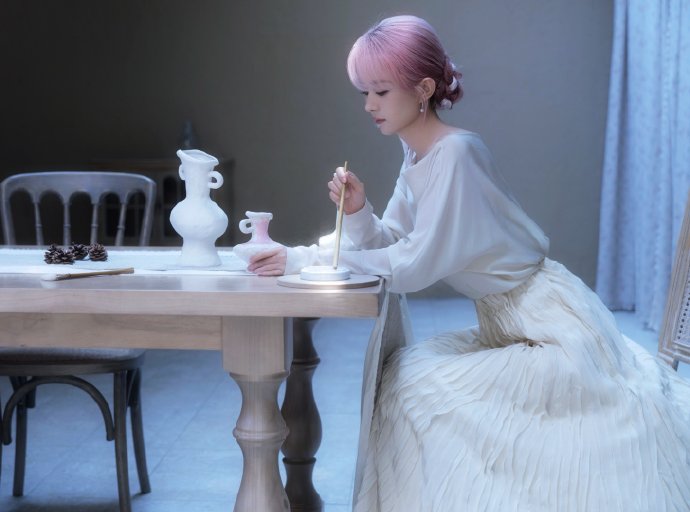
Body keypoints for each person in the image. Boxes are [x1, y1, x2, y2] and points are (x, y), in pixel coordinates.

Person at [248, 14, 690, 512]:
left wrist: (302, 258)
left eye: (381, 91)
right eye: (364, 93)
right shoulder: (418, 155)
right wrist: (357, 211)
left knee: (417, 389)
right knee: (405, 377)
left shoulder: (457, 153)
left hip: (551, 331)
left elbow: (413, 264)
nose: (369, 104)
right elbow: (394, 239)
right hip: (510, 326)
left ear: (423, 89)